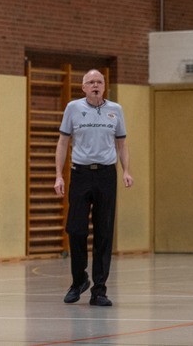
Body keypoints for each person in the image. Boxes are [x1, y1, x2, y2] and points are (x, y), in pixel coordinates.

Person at [54, 69, 133, 307]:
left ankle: (99, 290)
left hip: (106, 175)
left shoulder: (115, 110)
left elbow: (122, 144)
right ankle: (79, 280)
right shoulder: (73, 108)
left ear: (104, 86)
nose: (96, 85)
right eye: (91, 82)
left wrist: (126, 170)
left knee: (104, 233)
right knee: (75, 230)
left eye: (99, 81)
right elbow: (63, 142)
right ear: (84, 87)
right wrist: (59, 175)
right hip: (80, 173)